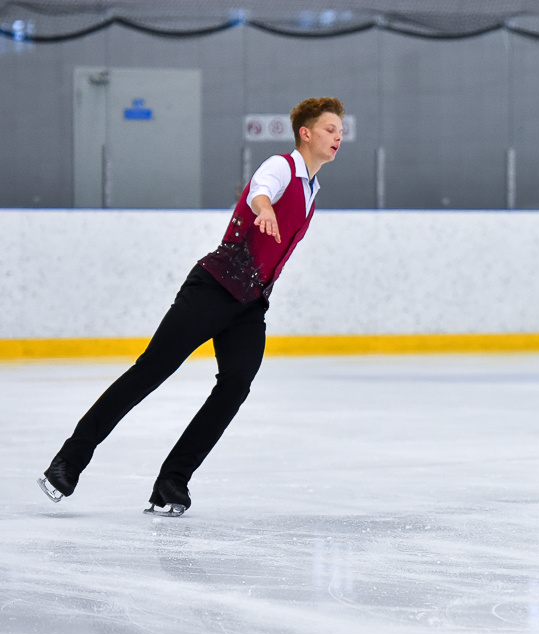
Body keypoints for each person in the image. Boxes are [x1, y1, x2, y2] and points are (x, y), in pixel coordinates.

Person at [38, 97, 346, 516]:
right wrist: (264, 208)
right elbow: (259, 191)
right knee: (151, 370)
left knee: (236, 384)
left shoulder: (313, 189)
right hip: (213, 288)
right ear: (306, 133)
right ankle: (67, 463)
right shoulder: (281, 168)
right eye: (330, 129)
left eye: (340, 130)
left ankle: (172, 482)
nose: (338, 136)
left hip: (251, 304)